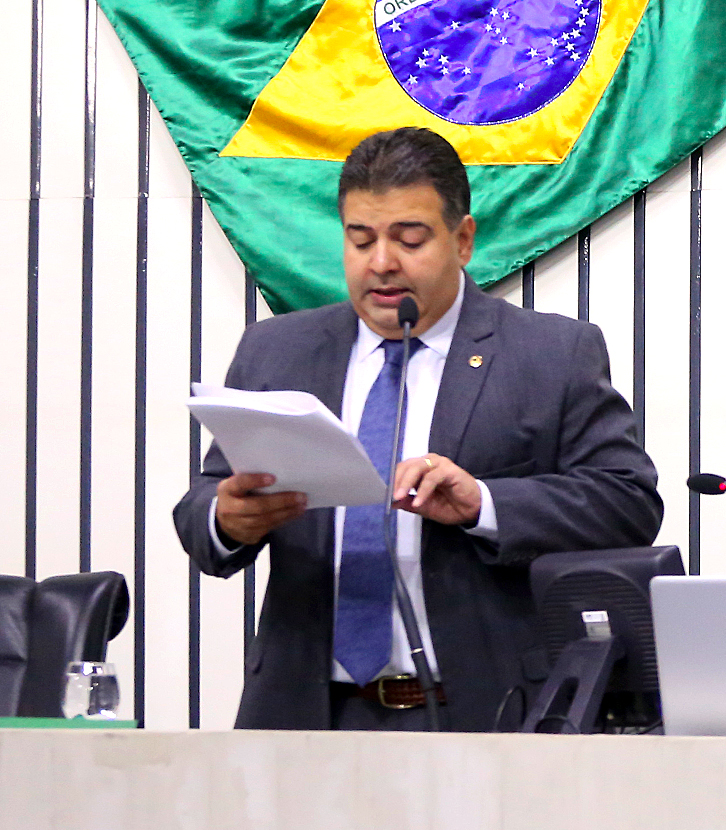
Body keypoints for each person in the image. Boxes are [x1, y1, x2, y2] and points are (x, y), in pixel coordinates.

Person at [172, 127, 664, 730]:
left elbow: (628, 502)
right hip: (305, 714)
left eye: (409, 240)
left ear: (463, 239)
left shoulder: (550, 354)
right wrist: (225, 519)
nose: (382, 263)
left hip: (484, 712)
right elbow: (201, 510)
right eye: (361, 240)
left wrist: (483, 503)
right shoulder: (278, 351)